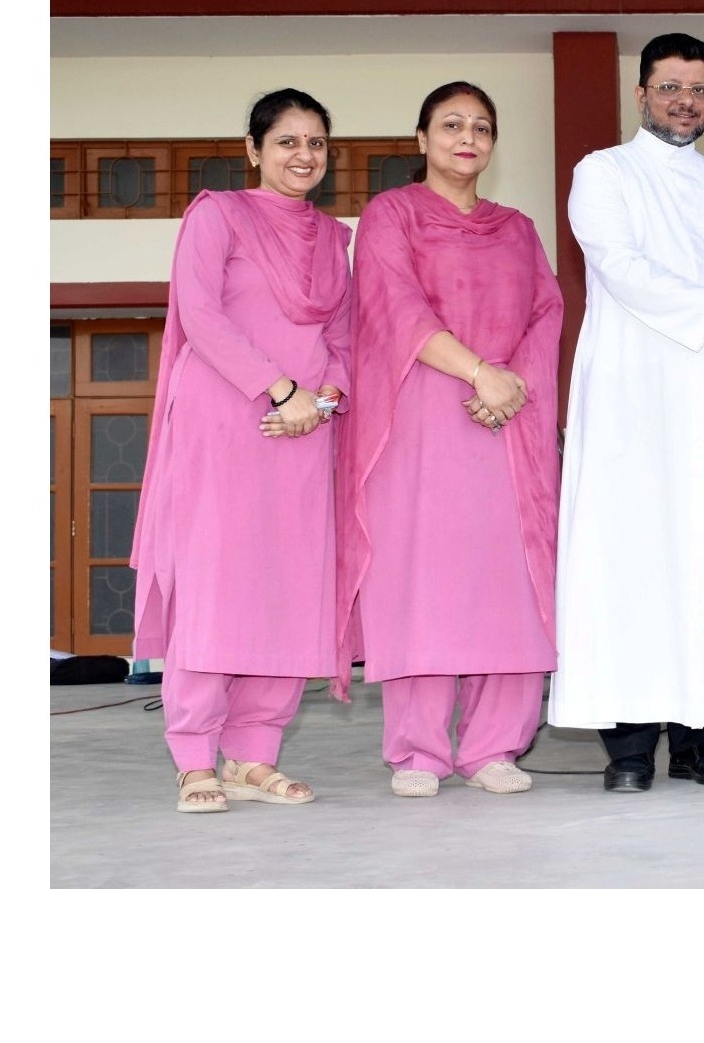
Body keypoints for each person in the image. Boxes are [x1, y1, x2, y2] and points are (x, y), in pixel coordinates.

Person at [549, 32, 704, 792]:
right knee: (630, 557)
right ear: (641, 94)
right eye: (669, 87)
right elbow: (619, 267)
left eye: (697, 88)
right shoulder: (604, 172)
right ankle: (628, 749)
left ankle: (702, 741)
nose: (684, 101)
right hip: (630, 394)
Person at [336, 82, 563, 797]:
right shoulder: (391, 214)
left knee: (510, 578)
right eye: (452, 125)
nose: (467, 138)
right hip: (420, 417)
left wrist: (511, 386)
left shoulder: (517, 228)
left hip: (507, 423)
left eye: (481, 127)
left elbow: (546, 313)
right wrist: (478, 373)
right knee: (421, 577)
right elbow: (393, 306)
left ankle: (495, 745)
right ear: (422, 138)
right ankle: (419, 751)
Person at [130, 88, 353, 812]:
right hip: (227, 421)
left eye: (315, 142)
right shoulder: (217, 215)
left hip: (303, 432)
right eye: (287, 141)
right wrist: (280, 388)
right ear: (254, 150)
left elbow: (344, 338)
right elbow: (199, 312)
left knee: (289, 587)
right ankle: (195, 758)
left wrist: (323, 400)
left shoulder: (334, 238)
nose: (303, 155)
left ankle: (253, 756)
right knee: (216, 584)